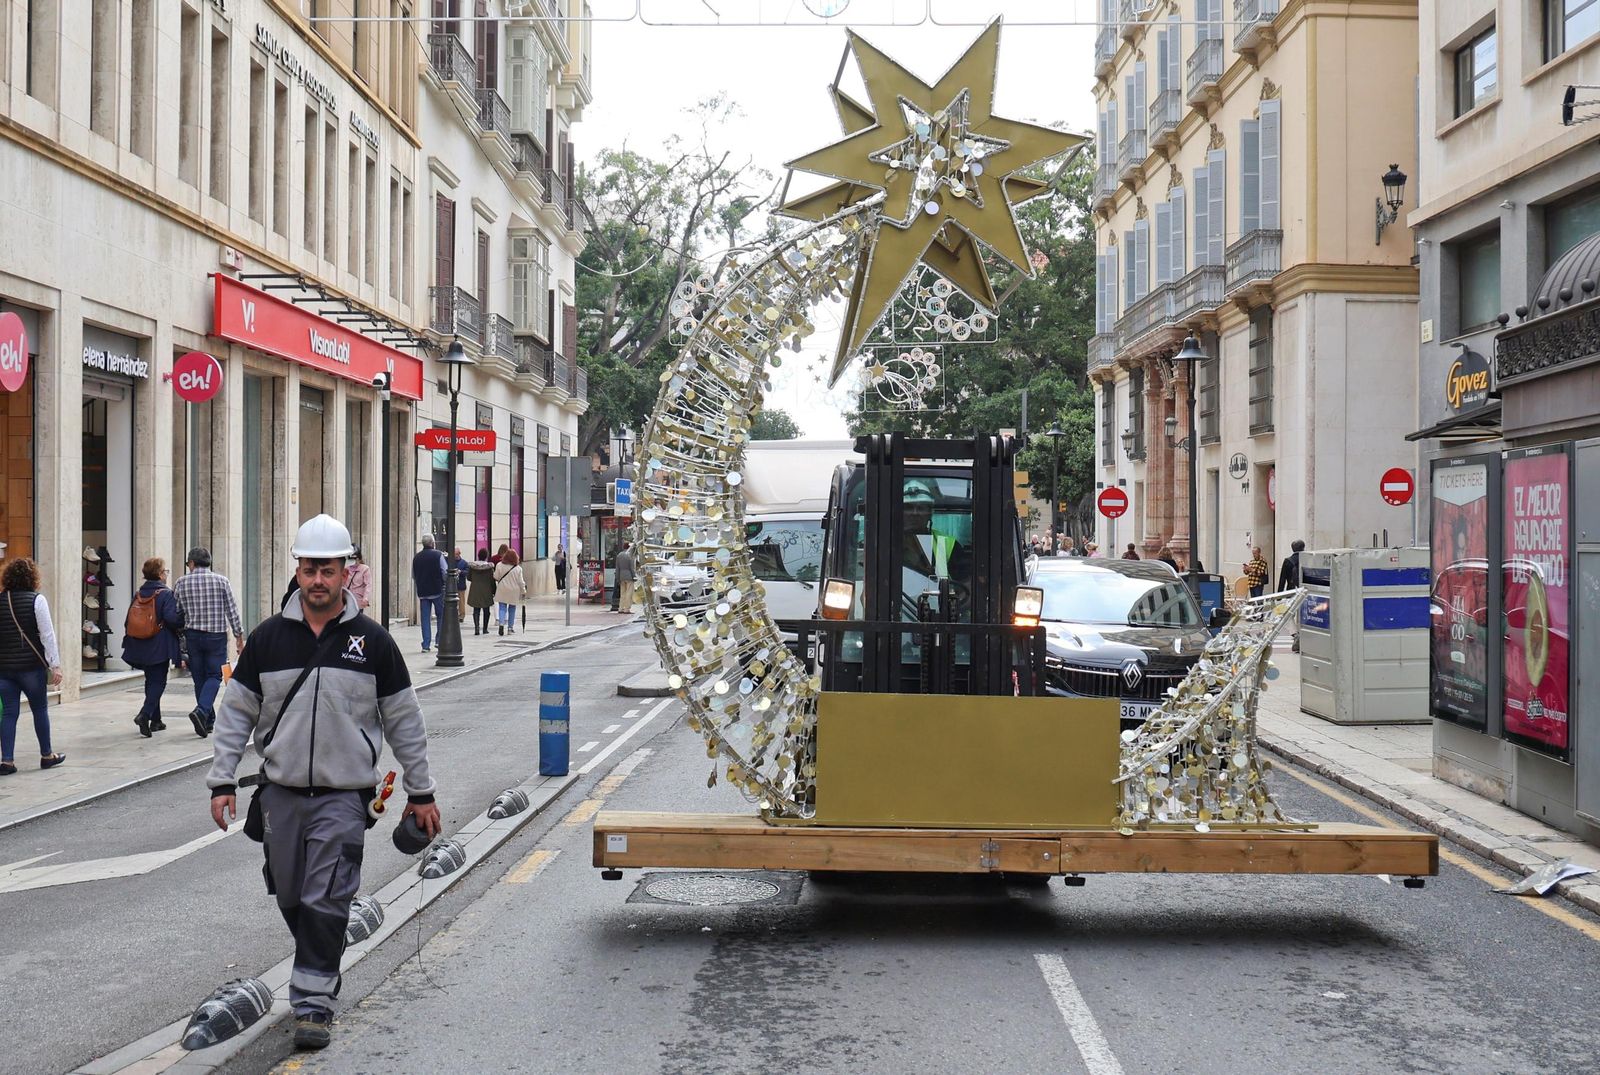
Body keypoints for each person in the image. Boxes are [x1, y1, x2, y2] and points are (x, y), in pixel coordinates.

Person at [207, 513, 439, 1052]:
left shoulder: (374, 642)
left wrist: (421, 792)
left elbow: (404, 721)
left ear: (344, 572)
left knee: (327, 897)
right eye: (309, 568)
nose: (317, 579)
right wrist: (221, 782)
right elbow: (235, 714)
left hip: (344, 796)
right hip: (281, 795)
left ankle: (312, 1003)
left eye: (327, 569)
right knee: (292, 894)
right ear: (299, 569)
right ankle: (319, 966)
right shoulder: (267, 640)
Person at [0, 557, 65, 774]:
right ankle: (47, 755)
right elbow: (47, 635)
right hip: (30, 667)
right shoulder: (37, 600)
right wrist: (55, 665)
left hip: (4, 669)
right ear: (33, 577)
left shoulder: (0, 600)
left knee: (9, 712)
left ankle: (7, 761)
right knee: (39, 709)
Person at [173, 546, 246, 738]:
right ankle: (202, 712)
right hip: (216, 635)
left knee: (199, 677)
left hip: (193, 635)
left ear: (192, 563)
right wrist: (239, 637)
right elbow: (232, 611)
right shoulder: (221, 581)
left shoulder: (181, 582)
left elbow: (178, 610)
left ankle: (206, 719)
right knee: (214, 675)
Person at [122, 557, 184, 738]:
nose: (166, 574)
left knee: (151, 681)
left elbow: (128, 619)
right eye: (165, 571)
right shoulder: (165, 594)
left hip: (140, 643)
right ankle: (145, 714)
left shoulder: (139, 593)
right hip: (159, 644)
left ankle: (156, 721)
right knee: (159, 682)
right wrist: (182, 618)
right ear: (159, 574)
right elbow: (172, 620)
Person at [410, 535, 447, 652]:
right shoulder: (438, 555)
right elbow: (445, 572)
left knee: (425, 618)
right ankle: (439, 641)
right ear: (432, 543)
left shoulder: (416, 557)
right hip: (437, 590)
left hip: (423, 592)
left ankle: (426, 644)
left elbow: (413, 575)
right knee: (440, 615)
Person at [493, 548, 526, 634]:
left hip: (502, 589)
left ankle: (501, 623)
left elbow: (496, 577)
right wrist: (523, 591)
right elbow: (521, 582)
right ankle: (510, 628)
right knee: (512, 609)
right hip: (513, 591)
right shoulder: (518, 568)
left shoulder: (499, 565)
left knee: (502, 607)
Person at [466, 548, 496, 635]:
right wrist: (494, 591)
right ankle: (485, 629)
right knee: (486, 610)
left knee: (476, 610)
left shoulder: (472, 567)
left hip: (475, 590)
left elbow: (469, 578)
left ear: (478, 556)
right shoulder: (489, 568)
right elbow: (492, 580)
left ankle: (477, 628)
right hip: (486, 590)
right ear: (486, 556)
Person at [612, 541, 636, 613]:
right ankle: (627, 609)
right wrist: (634, 576)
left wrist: (618, 578)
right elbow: (631, 568)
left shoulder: (619, 555)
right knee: (629, 593)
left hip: (621, 576)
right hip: (629, 576)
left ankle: (620, 608)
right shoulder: (629, 555)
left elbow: (617, 568)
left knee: (622, 593)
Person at [347, 544, 372, 611]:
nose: (355, 561)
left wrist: (366, 598)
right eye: (353, 559)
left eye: (357, 559)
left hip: (358, 601)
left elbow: (368, 584)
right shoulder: (345, 568)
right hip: (346, 600)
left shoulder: (365, 569)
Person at [452, 547, 470, 623]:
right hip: (452, 585)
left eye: (456, 554)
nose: (455, 555)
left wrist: (460, 572)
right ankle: (454, 615)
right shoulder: (451, 562)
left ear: (459, 554)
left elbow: (467, 572)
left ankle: (461, 616)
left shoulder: (464, 563)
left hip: (461, 585)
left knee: (461, 601)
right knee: (453, 602)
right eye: (454, 554)